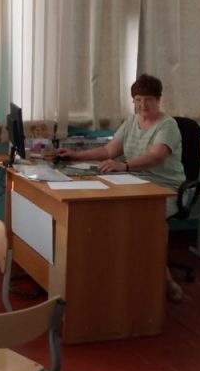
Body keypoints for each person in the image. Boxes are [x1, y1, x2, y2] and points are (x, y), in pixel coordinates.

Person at [56, 73, 187, 301]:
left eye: (148, 99)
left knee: (142, 219)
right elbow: (109, 151)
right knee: (106, 211)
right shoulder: (131, 121)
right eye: (138, 99)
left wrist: (124, 165)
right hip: (133, 182)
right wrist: (75, 155)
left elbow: (156, 156)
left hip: (164, 188)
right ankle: (115, 274)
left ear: (158, 99)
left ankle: (163, 278)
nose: (143, 105)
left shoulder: (168, 125)